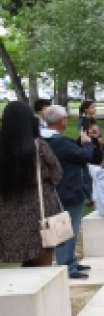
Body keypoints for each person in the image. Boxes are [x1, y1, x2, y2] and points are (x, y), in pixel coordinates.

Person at [0, 101, 62, 267]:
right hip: (41, 209)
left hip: (10, 212)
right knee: (44, 262)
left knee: (27, 263)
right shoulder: (38, 146)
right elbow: (57, 173)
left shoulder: (3, 150)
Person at [43, 105, 96, 280]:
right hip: (69, 190)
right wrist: (87, 143)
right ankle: (67, 265)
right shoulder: (58, 142)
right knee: (68, 229)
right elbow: (84, 156)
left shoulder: (45, 140)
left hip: (57, 190)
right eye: (66, 117)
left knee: (66, 228)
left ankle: (70, 260)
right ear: (61, 121)